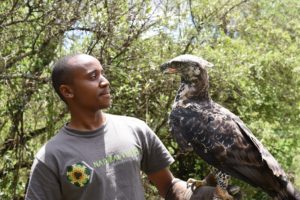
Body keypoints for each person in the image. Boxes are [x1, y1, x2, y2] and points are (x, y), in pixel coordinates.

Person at [25, 53, 239, 200]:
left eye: (102, 73)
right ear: (68, 92)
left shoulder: (135, 129)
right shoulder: (51, 157)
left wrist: (207, 195)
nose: (105, 81)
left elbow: (169, 187)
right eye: (93, 77)